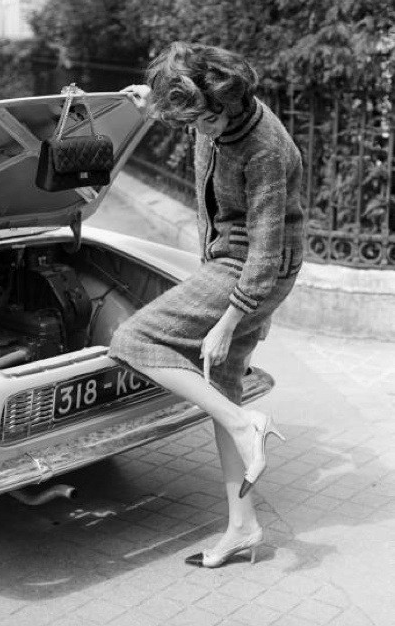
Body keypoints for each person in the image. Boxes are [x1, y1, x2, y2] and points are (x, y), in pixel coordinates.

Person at [109, 42, 304, 567]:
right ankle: (243, 526)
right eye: (194, 121)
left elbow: (266, 251)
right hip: (236, 263)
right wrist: (151, 103)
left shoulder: (264, 148)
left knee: (133, 338)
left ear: (230, 100)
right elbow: (188, 109)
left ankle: (244, 424)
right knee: (222, 388)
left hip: (249, 267)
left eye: (209, 119)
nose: (204, 130)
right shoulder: (207, 112)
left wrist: (234, 317)